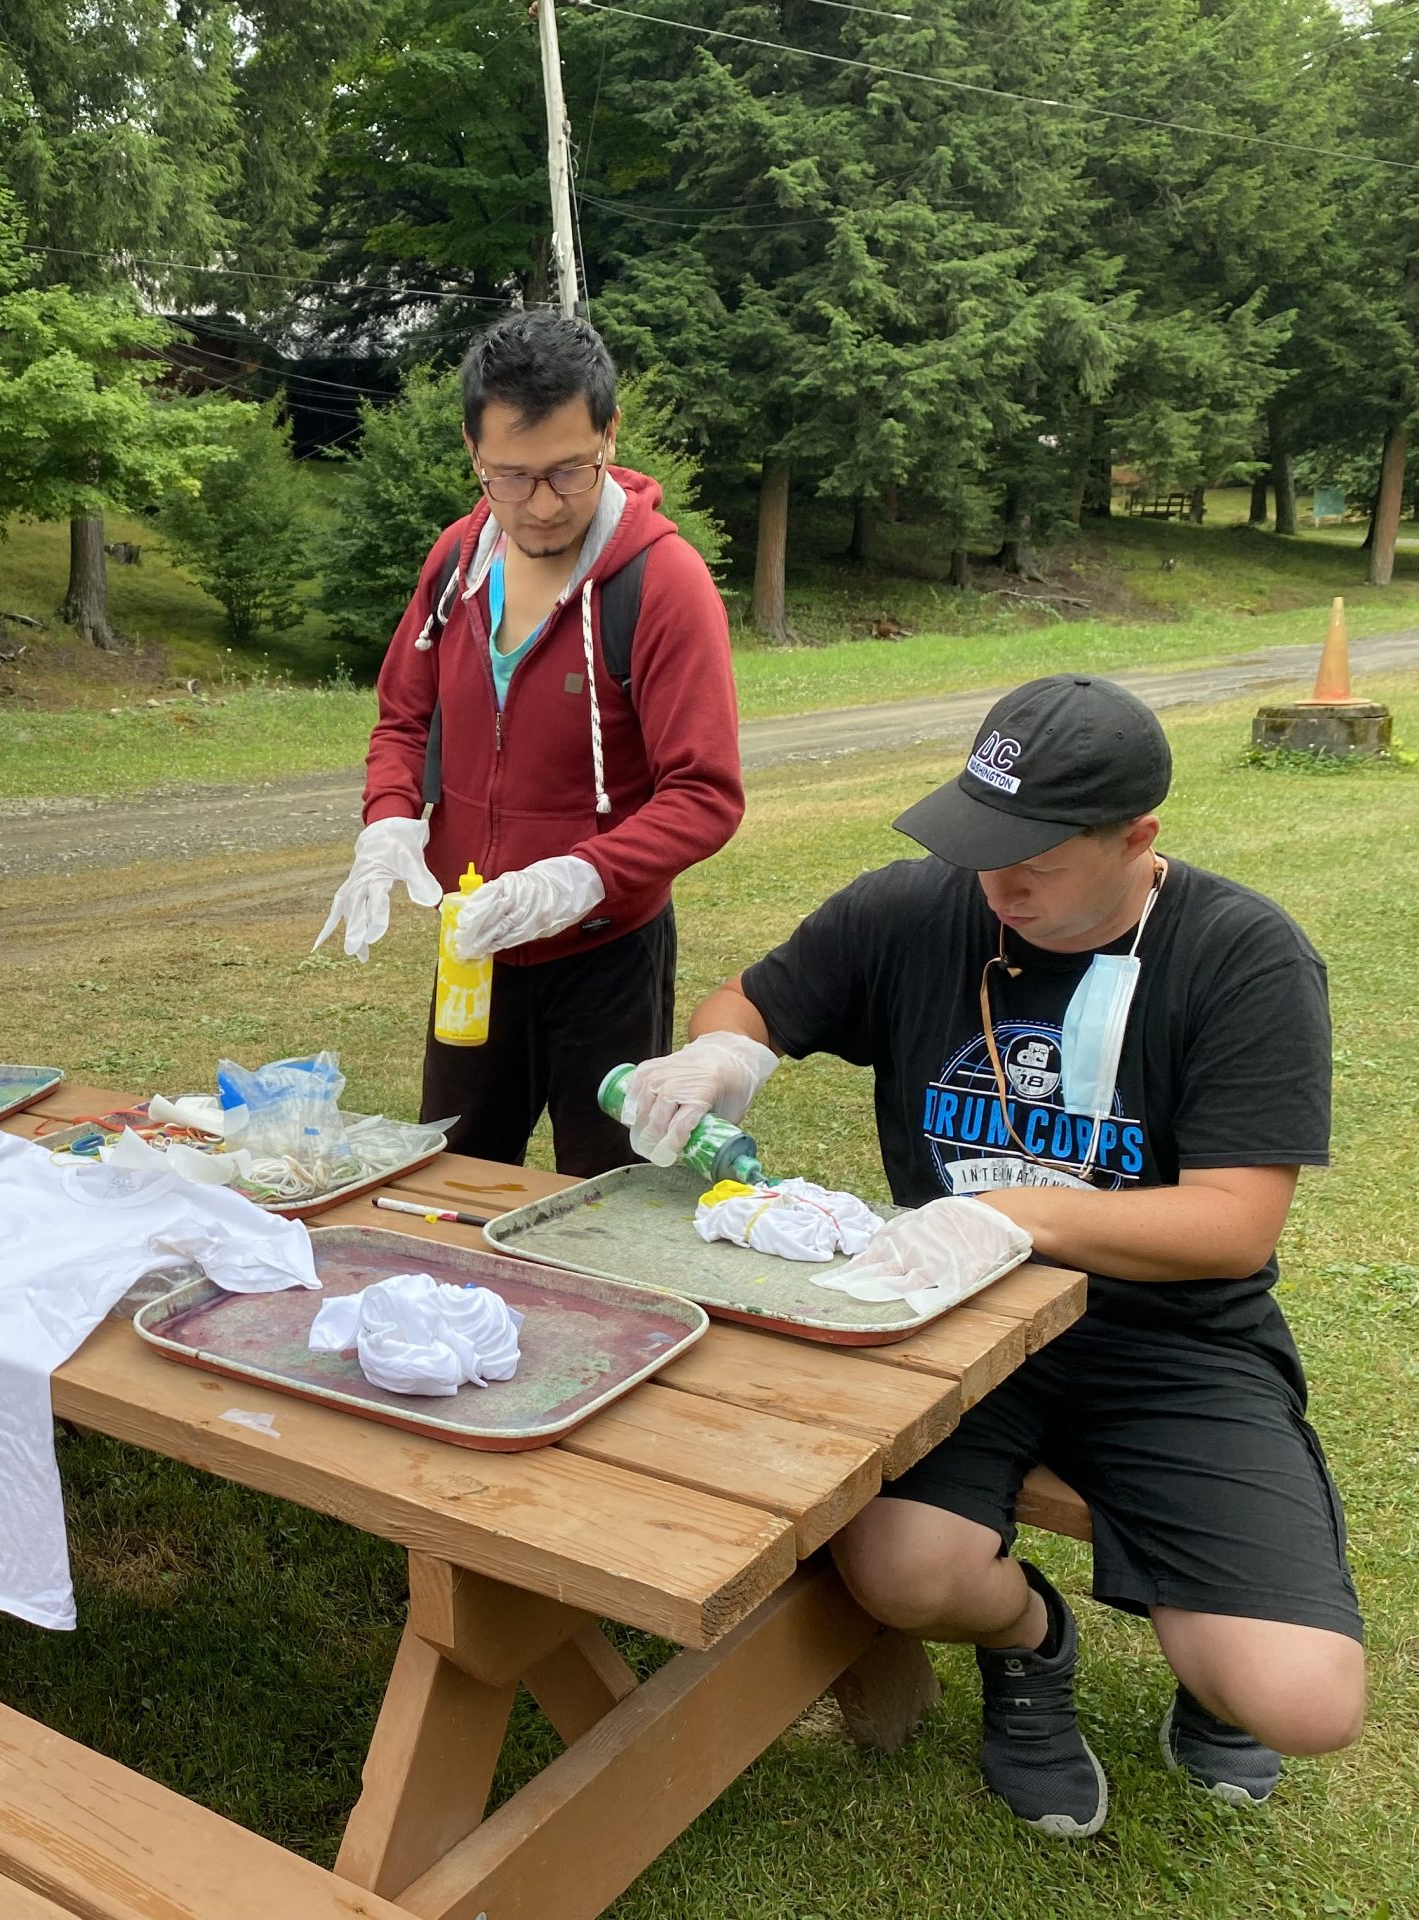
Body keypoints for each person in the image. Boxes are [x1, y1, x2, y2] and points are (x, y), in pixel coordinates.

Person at [619, 675, 1364, 1837]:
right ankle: (1030, 1643)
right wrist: (722, 1062)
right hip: (952, 1320)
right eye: (979, 846)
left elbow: (1232, 1221)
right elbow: (750, 1002)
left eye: (1035, 859)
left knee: (1301, 1703)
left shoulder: (1240, 956)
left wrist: (1026, 1213)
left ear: (1136, 840)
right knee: (904, 1571)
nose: (996, 883)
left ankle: (1213, 1676)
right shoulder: (917, 913)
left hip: (1172, 1341)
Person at [314, 310, 743, 1176]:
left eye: (569, 472)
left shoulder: (662, 583)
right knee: (453, 1173)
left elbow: (705, 793)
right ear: (474, 453)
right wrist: (389, 822)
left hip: (606, 956)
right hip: (473, 950)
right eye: (511, 477)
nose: (542, 506)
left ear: (609, 435)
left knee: (605, 1195)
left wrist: (581, 876)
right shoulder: (456, 563)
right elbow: (403, 719)